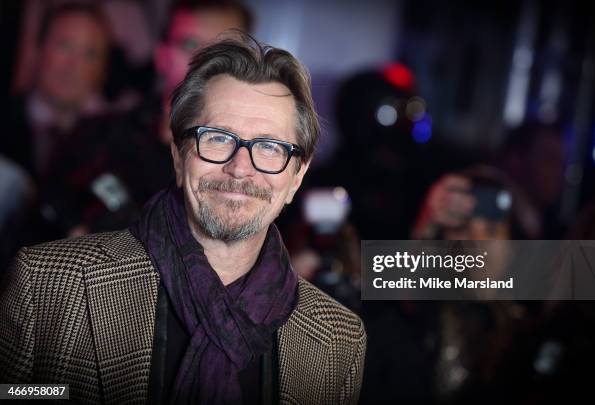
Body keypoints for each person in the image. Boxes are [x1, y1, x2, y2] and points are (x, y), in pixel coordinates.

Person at [0, 34, 366, 405]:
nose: (240, 168)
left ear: (297, 177)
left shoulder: (338, 339)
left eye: (270, 147)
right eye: (218, 138)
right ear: (178, 155)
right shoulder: (48, 283)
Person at [41, 0, 253, 237]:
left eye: (223, 51)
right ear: (162, 55)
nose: (206, 64)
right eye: (190, 44)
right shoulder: (93, 140)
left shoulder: (260, 165)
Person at [1, 2, 111, 180]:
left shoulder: (113, 143)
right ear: (38, 50)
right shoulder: (6, 116)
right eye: (64, 45)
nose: (73, 66)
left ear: (103, 69)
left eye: (89, 54)